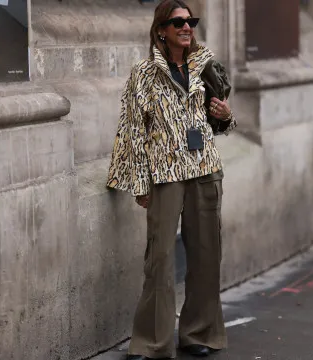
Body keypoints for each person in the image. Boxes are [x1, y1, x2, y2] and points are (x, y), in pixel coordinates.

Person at [105, 0, 237, 359]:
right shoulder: (143, 74)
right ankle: (151, 342)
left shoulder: (206, 66)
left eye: (190, 20)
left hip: (205, 169)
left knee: (207, 256)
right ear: (161, 29)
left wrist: (225, 115)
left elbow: (219, 119)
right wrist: (138, 183)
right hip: (165, 173)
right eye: (178, 21)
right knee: (159, 258)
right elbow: (131, 129)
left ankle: (198, 334)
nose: (186, 26)